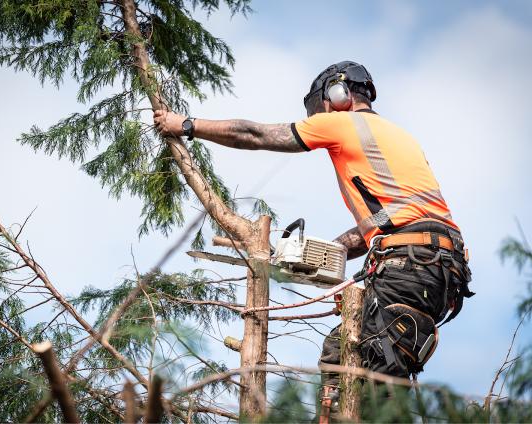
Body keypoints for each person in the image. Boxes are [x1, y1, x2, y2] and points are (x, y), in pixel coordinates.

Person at [153, 61, 473, 420]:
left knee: (378, 373)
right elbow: (383, 223)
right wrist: (315, 255)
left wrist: (187, 125)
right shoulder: (397, 140)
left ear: (338, 95)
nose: (318, 116)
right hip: (435, 266)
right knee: (341, 352)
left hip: (410, 264)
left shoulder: (344, 122)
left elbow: (255, 134)